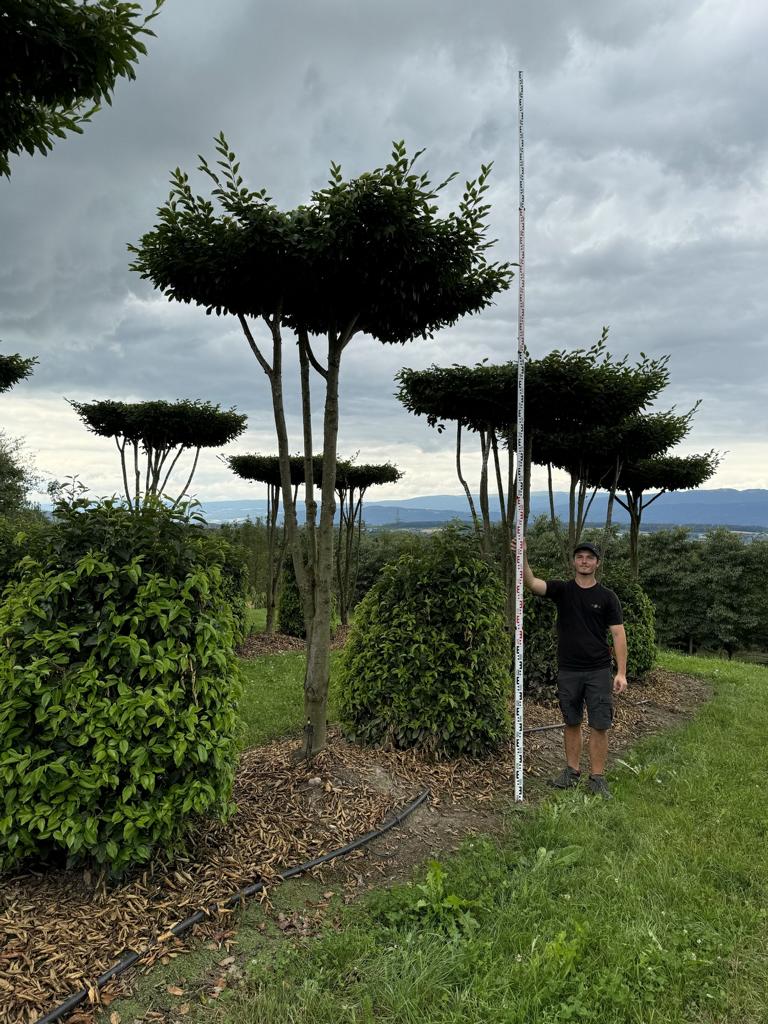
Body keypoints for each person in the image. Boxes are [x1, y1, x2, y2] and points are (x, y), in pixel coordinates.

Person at [518, 539, 627, 799]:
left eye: (590, 557)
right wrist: (522, 556)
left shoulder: (607, 597)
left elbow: (618, 634)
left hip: (598, 670)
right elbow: (532, 583)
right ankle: (571, 771)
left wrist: (621, 672)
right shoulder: (563, 590)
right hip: (569, 670)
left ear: (597, 563)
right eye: (580, 557)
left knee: (600, 724)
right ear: (574, 562)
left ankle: (597, 778)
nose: (585, 561)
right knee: (572, 721)